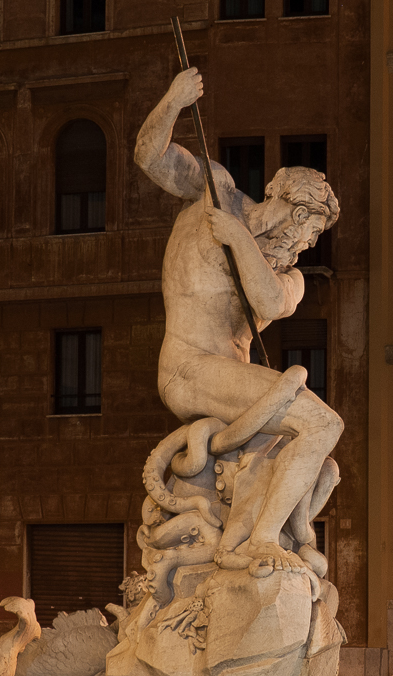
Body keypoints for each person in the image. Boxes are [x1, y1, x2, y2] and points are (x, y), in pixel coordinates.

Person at [134, 66, 342, 574]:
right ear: (279, 200)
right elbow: (150, 156)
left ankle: (280, 535)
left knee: (325, 463)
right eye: (304, 225)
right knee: (322, 422)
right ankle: (257, 543)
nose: (306, 242)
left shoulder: (289, 278)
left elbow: (269, 302)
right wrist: (174, 100)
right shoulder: (217, 191)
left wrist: (239, 240)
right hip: (189, 367)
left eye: (314, 236)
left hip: (229, 379)